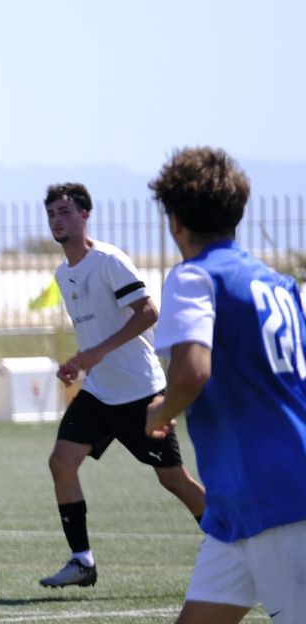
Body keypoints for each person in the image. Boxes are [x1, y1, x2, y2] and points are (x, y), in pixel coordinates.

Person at [129, 147, 306, 624]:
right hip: (241, 505)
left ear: (174, 221)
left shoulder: (193, 277)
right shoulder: (280, 284)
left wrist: (160, 409)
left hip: (275, 499)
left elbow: (193, 368)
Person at [39, 182, 205, 588]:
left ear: (84, 215)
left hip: (138, 391)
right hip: (98, 391)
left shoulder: (109, 260)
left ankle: (234, 542)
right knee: (61, 462)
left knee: (173, 479)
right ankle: (82, 561)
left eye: (64, 211)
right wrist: (81, 362)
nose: (57, 220)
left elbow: (149, 312)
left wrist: (94, 353)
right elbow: (96, 333)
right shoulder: (64, 273)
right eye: (51, 214)